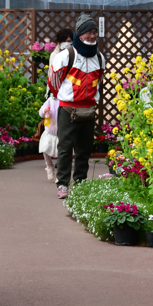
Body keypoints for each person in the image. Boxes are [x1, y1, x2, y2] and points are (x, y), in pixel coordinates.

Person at [48, 14, 104, 199]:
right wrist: (65, 98)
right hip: (68, 109)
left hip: (88, 109)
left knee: (84, 148)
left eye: (94, 32)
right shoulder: (65, 56)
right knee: (65, 147)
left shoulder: (100, 57)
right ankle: (62, 184)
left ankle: (80, 183)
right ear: (79, 35)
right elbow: (53, 82)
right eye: (88, 32)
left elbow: (98, 80)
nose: (92, 36)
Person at [37, 29, 73, 181]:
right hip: (55, 93)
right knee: (48, 145)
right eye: (66, 40)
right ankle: (50, 167)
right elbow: (53, 74)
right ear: (58, 42)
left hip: (68, 94)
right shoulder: (55, 54)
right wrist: (52, 92)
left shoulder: (73, 53)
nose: (68, 43)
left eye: (70, 40)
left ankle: (60, 172)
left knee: (63, 145)